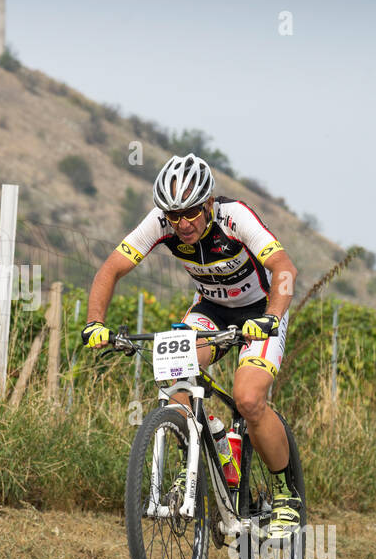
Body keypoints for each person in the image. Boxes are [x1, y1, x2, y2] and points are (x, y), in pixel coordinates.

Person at [82, 153, 301, 538]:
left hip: (262, 311)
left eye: (191, 213)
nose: (182, 224)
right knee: (174, 376)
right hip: (211, 310)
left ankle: (286, 496)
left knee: (248, 399)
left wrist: (271, 316)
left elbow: (284, 268)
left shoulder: (236, 218)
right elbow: (110, 269)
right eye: (173, 215)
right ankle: (210, 438)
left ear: (209, 204)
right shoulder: (160, 223)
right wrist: (94, 322)